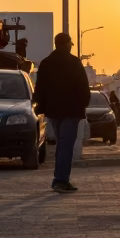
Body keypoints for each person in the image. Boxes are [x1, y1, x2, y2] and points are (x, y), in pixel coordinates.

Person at [33, 33, 91, 193]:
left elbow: (40, 89)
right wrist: (83, 105)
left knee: (62, 144)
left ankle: (60, 178)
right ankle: (60, 180)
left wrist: (42, 108)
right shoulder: (74, 62)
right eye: (70, 44)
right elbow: (84, 88)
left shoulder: (45, 63)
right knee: (66, 146)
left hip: (53, 112)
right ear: (66, 44)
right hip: (71, 111)